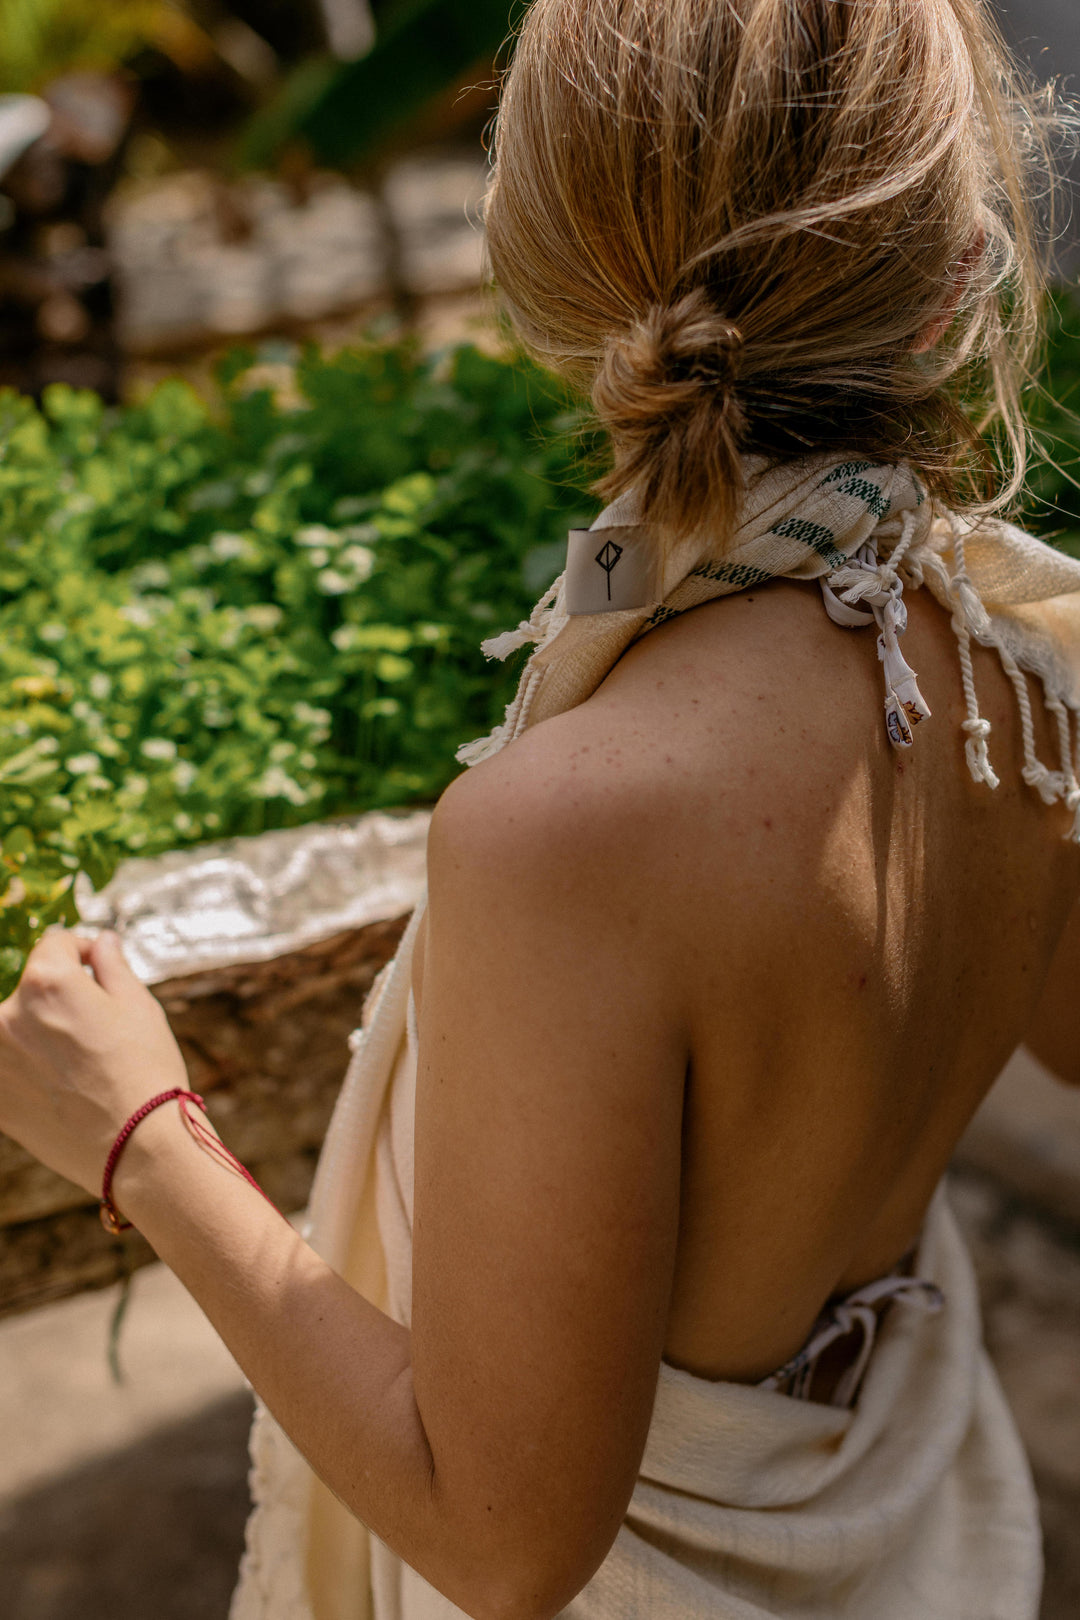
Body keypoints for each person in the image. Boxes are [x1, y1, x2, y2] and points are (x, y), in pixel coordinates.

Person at [1, 2, 1079, 1617]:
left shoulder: (568, 831)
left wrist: (140, 1139)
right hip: (931, 1547)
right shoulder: (1035, 680)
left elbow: (503, 1542)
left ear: (545, 276)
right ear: (956, 267)